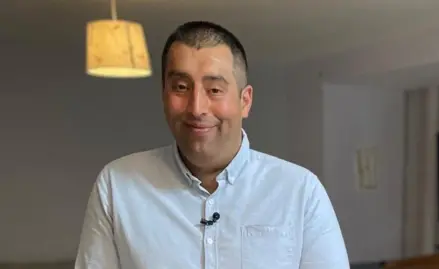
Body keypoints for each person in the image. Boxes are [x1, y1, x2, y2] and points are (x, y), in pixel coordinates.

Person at [75, 21, 349, 269]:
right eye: (181, 87)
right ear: (164, 96)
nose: (196, 108)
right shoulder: (117, 185)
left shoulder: (300, 192)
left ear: (245, 101)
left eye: (214, 90)